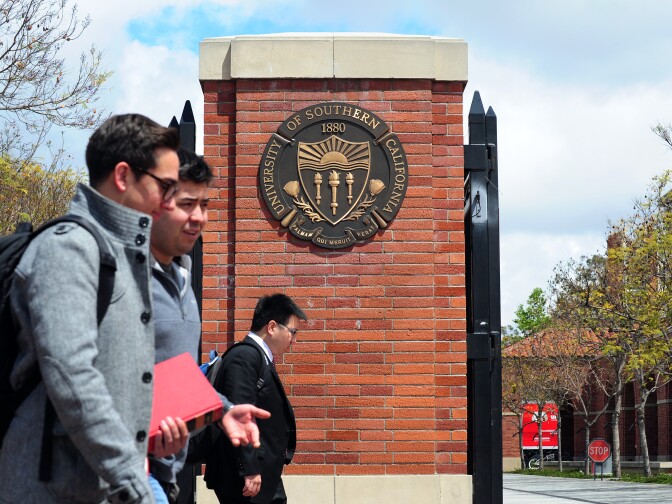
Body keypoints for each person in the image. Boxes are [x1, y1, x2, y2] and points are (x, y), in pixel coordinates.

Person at [0, 113, 181, 504]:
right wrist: (131, 481)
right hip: (51, 490)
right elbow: (71, 373)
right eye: (165, 186)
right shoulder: (70, 247)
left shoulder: (126, 256)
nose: (169, 203)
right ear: (122, 176)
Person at [147, 149, 270, 504]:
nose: (199, 217)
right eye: (188, 204)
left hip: (160, 472)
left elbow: (170, 376)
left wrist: (223, 411)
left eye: (204, 205)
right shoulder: (110, 271)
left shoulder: (182, 281)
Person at [205, 294, 307, 504]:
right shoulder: (245, 357)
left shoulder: (259, 358)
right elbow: (240, 414)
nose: (295, 340)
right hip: (245, 480)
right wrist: (249, 469)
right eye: (292, 332)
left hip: (262, 474)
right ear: (271, 327)